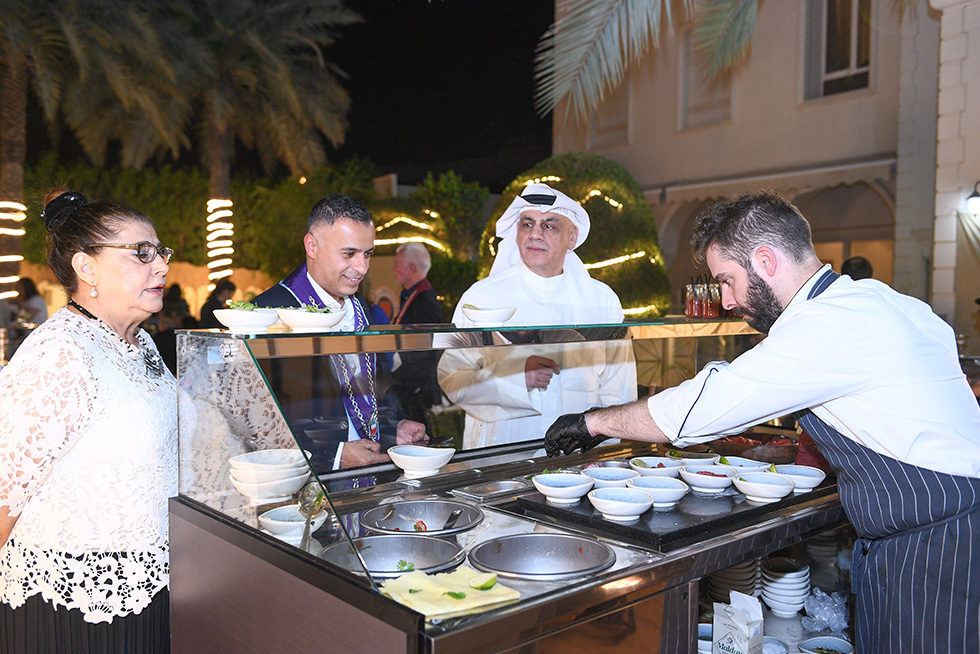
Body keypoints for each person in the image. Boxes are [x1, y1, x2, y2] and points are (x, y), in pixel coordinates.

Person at [545, 191, 980, 653]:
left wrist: (593, 422)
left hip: (936, 548)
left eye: (727, 280)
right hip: (941, 530)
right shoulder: (877, 299)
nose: (727, 300)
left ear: (766, 261)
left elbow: (702, 408)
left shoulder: (826, 323)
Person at [0, 190, 176, 653]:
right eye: (142, 253)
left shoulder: (140, 343)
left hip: (148, 588)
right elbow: (3, 496)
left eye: (161, 252)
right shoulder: (59, 354)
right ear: (86, 267)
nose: (161, 266)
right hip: (73, 607)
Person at [438, 183, 636, 449]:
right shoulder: (480, 297)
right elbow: (452, 378)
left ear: (572, 237)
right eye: (527, 224)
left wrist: (603, 458)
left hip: (578, 458)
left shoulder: (602, 301)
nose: (535, 234)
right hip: (502, 456)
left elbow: (618, 390)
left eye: (549, 226)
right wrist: (515, 379)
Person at [252, 194, 428, 470]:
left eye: (367, 254)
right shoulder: (267, 312)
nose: (362, 268)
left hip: (370, 472)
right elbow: (252, 420)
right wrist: (332, 455)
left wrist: (393, 426)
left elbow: (368, 387)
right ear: (312, 246)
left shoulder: (361, 308)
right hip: (311, 481)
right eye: (349, 254)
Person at [391, 242, 444, 426]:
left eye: (397, 263)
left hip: (415, 388)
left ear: (412, 268)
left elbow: (423, 352)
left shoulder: (424, 301)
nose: (394, 269)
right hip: (409, 385)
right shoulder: (413, 295)